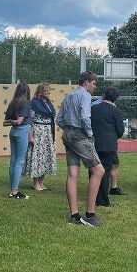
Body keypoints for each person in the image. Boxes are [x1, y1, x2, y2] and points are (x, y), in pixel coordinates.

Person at [57, 71, 105, 227]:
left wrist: (69, 130)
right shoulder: (84, 95)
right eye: (94, 83)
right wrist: (90, 134)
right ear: (86, 83)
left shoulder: (69, 96)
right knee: (99, 171)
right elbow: (85, 117)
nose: (95, 86)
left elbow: (59, 119)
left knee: (73, 174)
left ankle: (75, 215)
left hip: (68, 135)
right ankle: (90, 215)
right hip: (80, 136)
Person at [89, 86, 124, 208]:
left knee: (93, 170)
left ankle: (92, 196)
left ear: (103, 95)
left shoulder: (92, 108)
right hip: (108, 144)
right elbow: (120, 130)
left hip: (93, 142)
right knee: (105, 171)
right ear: (116, 98)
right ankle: (103, 200)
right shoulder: (115, 111)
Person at [24, 82, 57, 192]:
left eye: (49, 89)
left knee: (46, 157)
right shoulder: (34, 103)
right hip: (38, 132)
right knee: (38, 157)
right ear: (40, 91)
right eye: (46, 90)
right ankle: (35, 183)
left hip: (47, 132)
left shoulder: (48, 103)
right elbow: (30, 119)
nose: (48, 91)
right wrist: (31, 135)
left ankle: (41, 182)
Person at [3, 82, 32, 200]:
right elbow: (20, 121)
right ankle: (14, 191)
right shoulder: (26, 103)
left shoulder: (12, 103)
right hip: (22, 132)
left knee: (13, 161)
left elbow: (6, 122)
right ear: (27, 91)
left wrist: (10, 121)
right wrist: (15, 121)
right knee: (19, 162)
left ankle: (13, 189)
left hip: (13, 132)